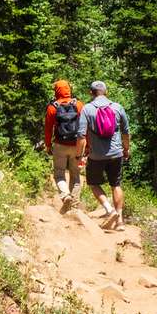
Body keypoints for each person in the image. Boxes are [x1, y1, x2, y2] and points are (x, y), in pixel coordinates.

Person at [76, 80, 131, 231]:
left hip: (96, 155)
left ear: (91, 93)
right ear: (106, 92)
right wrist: (126, 149)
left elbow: (81, 136)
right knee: (116, 184)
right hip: (116, 153)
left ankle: (109, 210)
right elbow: (126, 132)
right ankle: (119, 221)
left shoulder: (87, 109)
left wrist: (80, 156)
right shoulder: (117, 107)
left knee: (93, 183)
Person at [43, 80, 83, 213]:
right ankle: (75, 207)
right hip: (76, 145)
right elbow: (84, 128)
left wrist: (48, 145)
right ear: (68, 89)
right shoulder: (78, 105)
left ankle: (65, 195)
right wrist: (86, 146)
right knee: (75, 176)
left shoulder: (52, 107)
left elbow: (48, 129)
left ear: (57, 91)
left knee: (59, 174)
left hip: (60, 145)